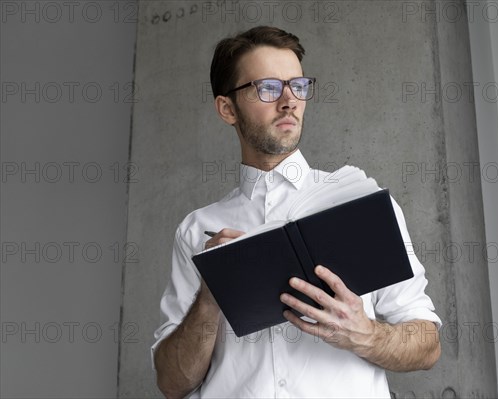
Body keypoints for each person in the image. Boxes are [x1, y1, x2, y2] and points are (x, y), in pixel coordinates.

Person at [152, 26, 441, 399]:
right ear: (227, 108)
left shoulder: (360, 204)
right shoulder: (197, 231)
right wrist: (209, 297)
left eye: (298, 86)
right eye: (268, 88)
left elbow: (428, 344)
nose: (289, 100)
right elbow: (171, 383)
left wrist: (365, 334)